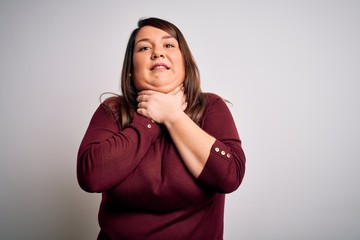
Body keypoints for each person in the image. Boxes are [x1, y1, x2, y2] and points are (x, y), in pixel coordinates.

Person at [77, 17, 246, 240]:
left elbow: (229, 176)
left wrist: (173, 116)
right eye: (145, 47)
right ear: (131, 69)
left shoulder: (211, 107)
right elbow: (91, 177)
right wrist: (150, 119)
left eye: (168, 45)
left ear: (184, 61)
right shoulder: (112, 111)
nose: (157, 53)